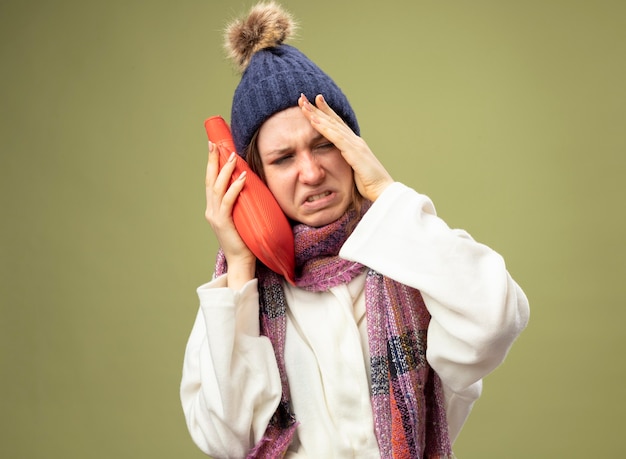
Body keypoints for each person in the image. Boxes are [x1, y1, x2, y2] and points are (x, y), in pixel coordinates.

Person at [180, 2, 530, 458]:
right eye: (283, 158)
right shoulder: (241, 292)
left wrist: (386, 195)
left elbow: (495, 321)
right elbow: (225, 437)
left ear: (352, 147)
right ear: (255, 178)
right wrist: (243, 263)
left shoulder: (412, 255)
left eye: (325, 143)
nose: (311, 172)